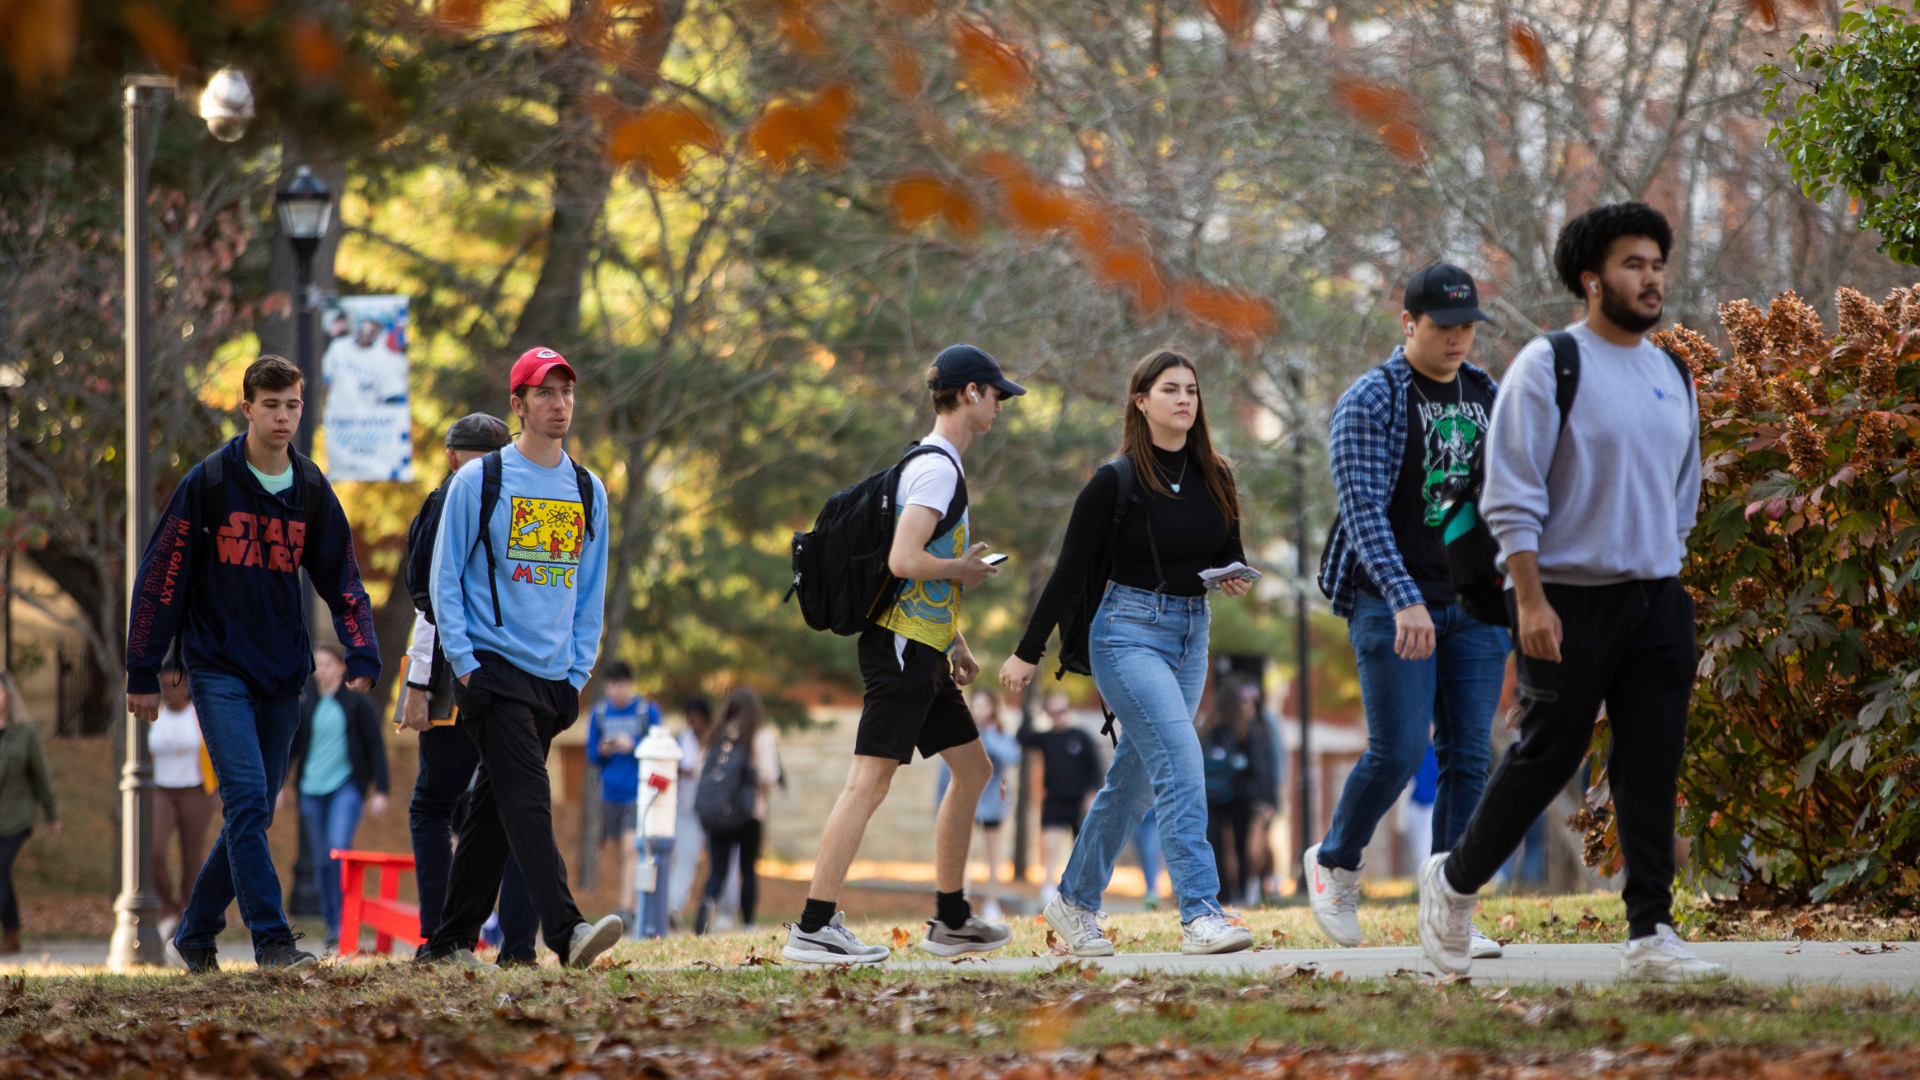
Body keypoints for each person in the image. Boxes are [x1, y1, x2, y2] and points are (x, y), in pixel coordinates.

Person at [1417, 202, 1725, 982]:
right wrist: (1529, 599)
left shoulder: (1672, 370)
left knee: (1651, 763)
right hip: (1563, 597)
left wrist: (1668, 571)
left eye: (1657, 263)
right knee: (1546, 757)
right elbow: (1510, 494)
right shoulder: (1551, 364)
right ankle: (1452, 884)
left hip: (1656, 597)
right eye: (1633, 264)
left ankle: (1651, 931)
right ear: (1592, 280)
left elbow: (1683, 491)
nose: (1651, 278)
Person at [125, 353, 379, 973]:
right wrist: (142, 667)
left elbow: (340, 575)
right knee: (243, 798)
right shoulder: (210, 482)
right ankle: (272, 941)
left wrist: (361, 645)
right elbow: (161, 575)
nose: (284, 417)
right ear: (247, 409)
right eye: (271, 405)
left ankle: (196, 931)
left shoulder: (311, 488)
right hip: (217, 668)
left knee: (255, 811)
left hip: (283, 671)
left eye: (293, 404)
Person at [1001, 349, 1257, 957]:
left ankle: (1072, 902)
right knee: (1182, 760)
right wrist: (1027, 652)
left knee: (1135, 784)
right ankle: (1199, 913)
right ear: (1140, 402)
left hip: (1192, 632)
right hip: (1126, 633)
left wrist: (1232, 576)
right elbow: (1068, 573)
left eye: (1191, 390)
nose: (1184, 400)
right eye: (1170, 389)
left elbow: (1228, 550)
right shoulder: (1113, 481)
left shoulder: (1216, 474)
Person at [782, 344, 1023, 964]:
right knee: (868, 782)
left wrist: (955, 640)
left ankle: (950, 920)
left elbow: (914, 577)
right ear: (970, 394)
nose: (999, 404)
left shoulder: (936, 464)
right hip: (899, 648)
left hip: (923, 647)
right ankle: (813, 926)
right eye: (995, 393)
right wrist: (963, 573)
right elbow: (903, 560)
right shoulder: (938, 469)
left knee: (972, 770)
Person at [1309, 262, 1509, 956]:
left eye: (1467, 328)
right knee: (1397, 753)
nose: (1458, 340)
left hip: (1476, 606)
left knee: (1470, 759)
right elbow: (1363, 512)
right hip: (1390, 602)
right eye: (1443, 327)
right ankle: (1335, 860)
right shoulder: (1370, 400)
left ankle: (1451, 910)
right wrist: (1406, 601)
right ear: (1408, 324)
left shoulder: (1489, 395)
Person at [421, 347, 622, 968]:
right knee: (529, 800)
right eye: (543, 393)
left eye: (565, 393)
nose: (558, 405)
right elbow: (444, 577)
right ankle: (566, 932)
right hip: (490, 669)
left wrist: (578, 671)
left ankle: (450, 941)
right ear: (518, 405)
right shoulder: (480, 481)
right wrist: (464, 663)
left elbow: (590, 590)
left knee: (495, 813)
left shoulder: (588, 490)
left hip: (553, 680)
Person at [399, 412, 538, 965]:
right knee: (513, 808)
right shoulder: (528, 501)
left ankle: (442, 938)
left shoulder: (446, 501)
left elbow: (431, 600)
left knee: (432, 806)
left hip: (458, 678)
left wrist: (415, 682)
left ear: (452, 455)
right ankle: (520, 945)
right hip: (524, 674)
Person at [283, 645, 389, 952]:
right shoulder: (306, 703)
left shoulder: (357, 703)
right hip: (310, 791)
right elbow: (292, 748)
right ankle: (334, 927)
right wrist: (278, 786)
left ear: (342, 668)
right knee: (322, 863)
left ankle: (346, 925)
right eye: (319, 666)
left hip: (346, 788)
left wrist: (381, 790)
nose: (323, 671)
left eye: (328, 665)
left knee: (338, 852)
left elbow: (376, 747)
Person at [693, 686, 778, 934]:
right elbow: (770, 775)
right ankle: (748, 923)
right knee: (748, 870)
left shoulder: (716, 737)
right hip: (749, 813)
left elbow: (702, 771)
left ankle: (706, 911)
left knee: (717, 870)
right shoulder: (759, 737)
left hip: (718, 813)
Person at [933, 689, 1023, 920]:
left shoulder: (1000, 735)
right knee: (963, 855)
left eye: (984, 705)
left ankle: (992, 902)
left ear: (993, 708)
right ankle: (963, 900)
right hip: (967, 803)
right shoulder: (960, 733)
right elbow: (946, 771)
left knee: (994, 856)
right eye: (976, 705)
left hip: (993, 805)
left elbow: (1013, 757)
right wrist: (940, 804)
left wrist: (987, 736)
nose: (979, 710)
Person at [585, 661, 661, 931]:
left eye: (619, 683)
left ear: (630, 683)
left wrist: (634, 745)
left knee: (631, 849)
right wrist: (605, 749)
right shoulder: (600, 713)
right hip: (610, 793)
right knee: (622, 851)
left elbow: (658, 745)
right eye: (610, 683)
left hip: (637, 791)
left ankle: (627, 908)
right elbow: (591, 754)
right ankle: (632, 903)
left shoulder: (646, 711)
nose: (614, 689)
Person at [1015, 691, 1102, 905]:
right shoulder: (1045, 738)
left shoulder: (1081, 737)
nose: (1058, 717)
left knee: (1081, 851)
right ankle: (1048, 887)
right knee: (1050, 847)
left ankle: (1080, 892)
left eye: (1061, 711)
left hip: (1078, 804)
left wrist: (1091, 794)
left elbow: (1096, 769)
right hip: (1054, 801)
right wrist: (1030, 713)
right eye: (1053, 713)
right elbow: (1022, 737)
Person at [150, 658, 216, 936]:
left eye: (175, 685)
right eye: (164, 686)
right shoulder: (152, 714)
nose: (170, 691)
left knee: (192, 857)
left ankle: (187, 916)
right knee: (154, 851)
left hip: (195, 791)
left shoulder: (199, 714)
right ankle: (168, 908)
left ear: (187, 685)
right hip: (161, 790)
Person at [1198, 676, 1276, 908]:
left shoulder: (1207, 728)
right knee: (1242, 848)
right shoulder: (1248, 730)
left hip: (1211, 797)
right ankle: (1241, 894)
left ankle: (1222, 896)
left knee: (1215, 846)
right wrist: (1268, 800)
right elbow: (1261, 767)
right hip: (1242, 796)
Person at [0, 671, 57, 955]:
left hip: (16, 818)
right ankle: (12, 935)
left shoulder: (25, 732)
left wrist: (52, 815)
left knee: (0, 868)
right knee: (3, 874)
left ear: (9, 695)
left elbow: (42, 776)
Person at [669, 696, 713, 923]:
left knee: (719, 861)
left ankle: (725, 910)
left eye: (699, 718)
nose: (694, 722)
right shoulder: (681, 740)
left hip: (712, 808)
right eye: (691, 718)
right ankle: (674, 906)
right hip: (686, 809)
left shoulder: (715, 740)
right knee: (685, 857)